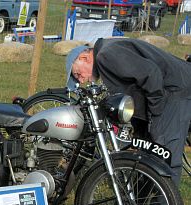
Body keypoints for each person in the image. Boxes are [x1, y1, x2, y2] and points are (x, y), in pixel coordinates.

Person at [66, 38, 191, 185]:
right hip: (173, 89)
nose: (81, 81)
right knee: (150, 153)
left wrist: (157, 113)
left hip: (174, 92)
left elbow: (150, 74)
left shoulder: (106, 55)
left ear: (84, 58)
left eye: (77, 74)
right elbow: (135, 90)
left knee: (165, 157)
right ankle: (144, 202)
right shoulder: (108, 51)